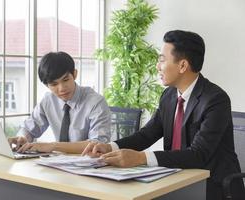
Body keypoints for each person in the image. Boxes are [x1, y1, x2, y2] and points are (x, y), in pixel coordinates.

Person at [82, 30, 245, 200]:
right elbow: (147, 135)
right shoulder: (168, 96)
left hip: (212, 186)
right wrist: (110, 147)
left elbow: (198, 155)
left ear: (182, 66)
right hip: (175, 180)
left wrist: (140, 158)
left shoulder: (215, 99)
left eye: (162, 59)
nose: (157, 66)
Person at [9, 51, 111, 154]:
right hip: (58, 163)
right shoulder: (48, 100)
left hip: (89, 164)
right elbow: (28, 129)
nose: (62, 88)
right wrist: (22, 138)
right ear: (46, 85)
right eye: (54, 84)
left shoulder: (96, 102)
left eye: (66, 80)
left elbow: (97, 144)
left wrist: (53, 146)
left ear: (75, 74)